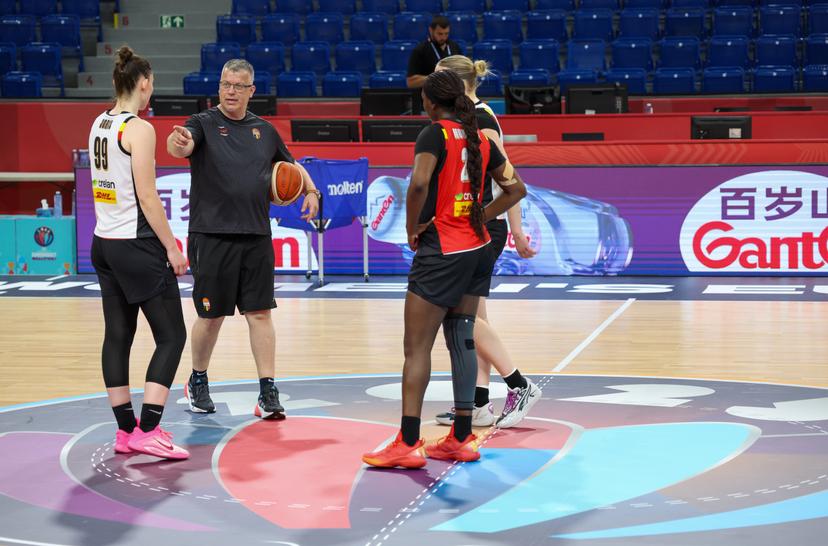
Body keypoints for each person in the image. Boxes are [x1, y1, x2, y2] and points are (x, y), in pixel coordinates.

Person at [363, 70, 527, 469]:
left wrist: (411, 228)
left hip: (441, 250)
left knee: (416, 347)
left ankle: (406, 441)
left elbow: (418, 184)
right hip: (476, 248)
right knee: (462, 339)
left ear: (431, 103)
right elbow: (516, 189)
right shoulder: (483, 138)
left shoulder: (433, 134)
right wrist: (481, 216)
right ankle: (461, 436)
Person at [166, 59, 320, 419]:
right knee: (211, 316)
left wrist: (311, 191)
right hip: (211, 235)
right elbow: (182, 147)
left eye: (238, 85)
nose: (231, 91)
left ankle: (268, 391)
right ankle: (198, 380)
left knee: (260, 314)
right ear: (219, 88)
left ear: (252, 91)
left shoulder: (264, 131)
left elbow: (292, 165)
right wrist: (179, 142)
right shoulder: (202, 123)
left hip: (255, 234)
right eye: (225, 84)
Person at [89, 45, 189, 459]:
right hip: (138, 246)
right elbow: (148, 197)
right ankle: (148, 429)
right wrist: (172, 247)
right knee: (172, 336)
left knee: (118, 336)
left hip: (104, 244)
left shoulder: (98, 123)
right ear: (144, 83)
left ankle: (125, 432)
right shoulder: (140, 129)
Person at [433, 55, 543, 429]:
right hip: (475, 223)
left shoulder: (479, 119)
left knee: (461, 314)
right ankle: (478, 401)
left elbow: (507, 175)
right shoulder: (469, 115)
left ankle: (518, 383)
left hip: (480, 224)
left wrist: (514, 228)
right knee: (474, 316)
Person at [406, 15, 464, 89]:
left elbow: (464, 73)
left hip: (452, 96)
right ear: (431, 30)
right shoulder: (420, 50)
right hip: (429, 97)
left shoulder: (455, 47)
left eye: (446, 33)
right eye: (440, 34)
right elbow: (410, 82)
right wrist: (436, 77)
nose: (443, 37)